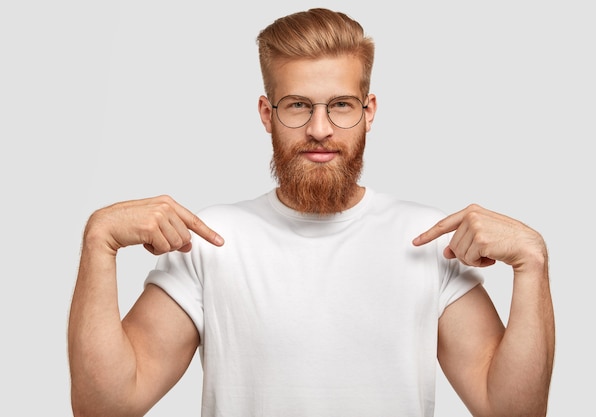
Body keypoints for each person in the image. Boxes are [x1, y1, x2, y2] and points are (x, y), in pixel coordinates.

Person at [68, 8, 555, 417]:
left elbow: (510, 409)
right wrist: (98, 242)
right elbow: (106, 405)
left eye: (340, 105)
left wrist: (533, 263)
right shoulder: (211, 240)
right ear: (266, 113)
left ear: (369, 111)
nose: (320, 129)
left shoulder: (429, 240)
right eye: (298, 105)